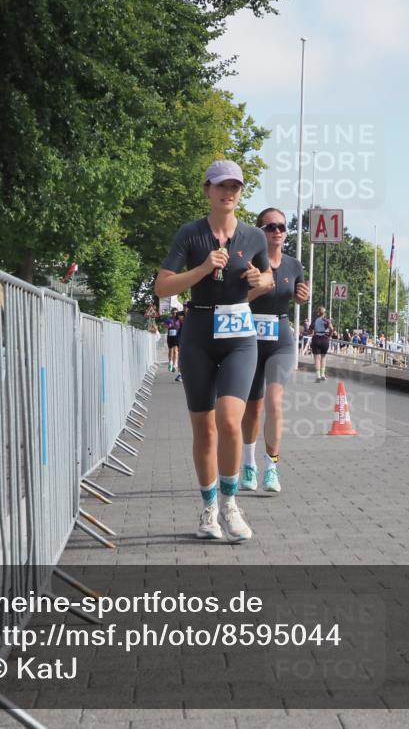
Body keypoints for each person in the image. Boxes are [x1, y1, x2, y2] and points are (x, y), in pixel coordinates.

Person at [153, 160, 271, 543]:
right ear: (207, 190)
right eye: (221, 186)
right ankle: (207, 511)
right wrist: (203, 269)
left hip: (239, 335)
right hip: (199, 333)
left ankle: (230, 504)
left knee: (230, 420)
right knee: (203, 428)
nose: (229, 193)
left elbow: (267, 275)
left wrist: (261, 279)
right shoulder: (190, 234)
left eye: (235, 187)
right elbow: (162, 287)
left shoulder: (253, 237)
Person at [239, 208, 309, 494]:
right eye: (270, 227)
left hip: (280, 337)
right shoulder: (248, 263)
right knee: (253, 406)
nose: (277, 232)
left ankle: (271, 467)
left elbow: (298, 294)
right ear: (260, 231)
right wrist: (259, 285)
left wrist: (302, 297)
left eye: (281, 227)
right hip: (251, 337)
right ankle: (248, 464)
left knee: (275, 402)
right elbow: (238, 298)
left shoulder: (294, 265)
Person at [308, 306, 335, 381]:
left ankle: (318, 376)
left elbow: (309, 331)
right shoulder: (327, 321)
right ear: (324, 313)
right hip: (324, 339)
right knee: (323, 357)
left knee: (317, 358)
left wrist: (311, 332)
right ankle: (323, 374)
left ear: (318, 313)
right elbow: (332, 329)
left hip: (316, 338)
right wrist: (329, 335)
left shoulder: (314, 320)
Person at [165, 308, 183, 378]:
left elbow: (182, 326)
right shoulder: (169, 319)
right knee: (170, 350)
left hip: (177, 336)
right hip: (170, 337)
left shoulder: (179, 319)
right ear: (171, 313)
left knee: (175, 351)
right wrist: (168, 326)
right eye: (173, 313)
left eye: (175, 313)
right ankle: (170, 362)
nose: (174, 314)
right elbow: (165, 325)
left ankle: (175, 364)